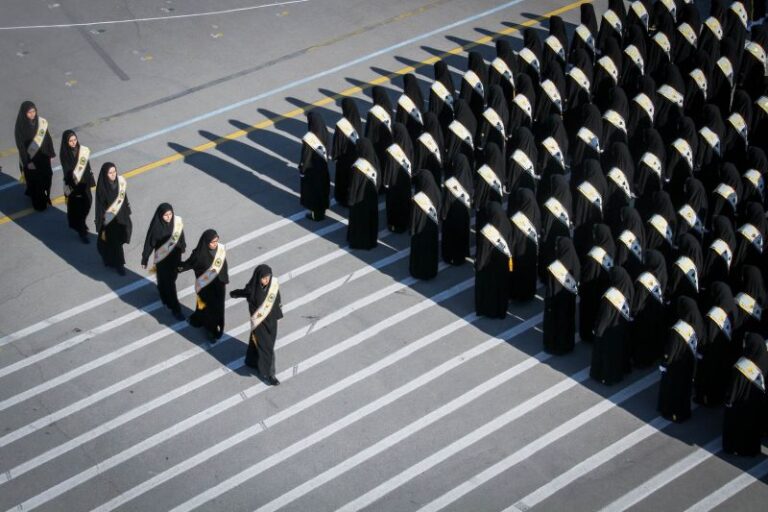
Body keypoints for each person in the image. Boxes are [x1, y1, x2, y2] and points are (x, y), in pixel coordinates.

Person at [230, 264, 283, 386]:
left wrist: (279, 316)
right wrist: (235, 293)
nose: (267, 280)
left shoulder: (273, 286)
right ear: (258, 277)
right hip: (259, 323)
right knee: (267, 348)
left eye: (268, 277)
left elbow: (277, 300)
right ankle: (270, 374)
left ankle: (251, 360)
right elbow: (245, 292)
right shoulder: (252, 289)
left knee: (257, 342)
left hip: (271, 322)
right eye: (264, 278)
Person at [657, 296, 705, 423]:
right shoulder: (698, 323)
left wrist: (665, 362)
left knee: (674, 389)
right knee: (685, 389)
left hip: (676, 366)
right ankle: (683, 412)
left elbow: (671, 349)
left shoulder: (679, 329)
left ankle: (672, 412)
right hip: (689, 364)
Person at [178, 229, 228, 341]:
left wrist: (224, 280)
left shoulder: (220, 250)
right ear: (206, 242)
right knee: (208, 309)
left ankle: (211, 325)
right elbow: (188, 264)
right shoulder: (198, 255)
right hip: (205, 287)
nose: (215, 244)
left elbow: (224, 266)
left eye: (216, 240)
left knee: (217, 309)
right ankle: (210, 330)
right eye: (212, 242)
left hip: (219, 286)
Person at [722, 332, 767, 456]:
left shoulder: (742, 366)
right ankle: (751, 449)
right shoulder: (763, 361)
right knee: (752, 427)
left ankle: (736, 448)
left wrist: (728, 401)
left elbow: (734, 388)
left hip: (741, 406)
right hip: (756, 404)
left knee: (739, 426)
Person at [591, 266, 635, 385]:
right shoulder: (628, 287)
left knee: (608, 356)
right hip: (621, 329)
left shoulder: (611, 296)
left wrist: (597, 331)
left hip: (609, 332)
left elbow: (604, 316)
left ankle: (606, 378)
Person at [141, 203, 186, 320]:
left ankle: (163, 292)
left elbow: (181, 235)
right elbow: (149, 243)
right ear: (160, 215)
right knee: (170, 284)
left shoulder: (176, 222)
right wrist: (145, 258)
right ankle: (176, 309)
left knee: (169, 279)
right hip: (162, 260)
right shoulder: (156, 227)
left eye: (170, 214)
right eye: (166, 215)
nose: (169, 217)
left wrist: (183, 246)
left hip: (175, 258)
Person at [475, 201, 513, 318]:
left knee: (490, 288)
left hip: (489, 267)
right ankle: (500, 310)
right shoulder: (507, 224)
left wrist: (478, 267)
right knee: (501, 289)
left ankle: (488, 310)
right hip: (503, 266)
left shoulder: (487, 231)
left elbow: (483, 252)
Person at [14, 101, 55, 211]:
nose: (32, 114)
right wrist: (27, 162)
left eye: (34, 111)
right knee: (36, 182)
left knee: (47, 178)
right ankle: (39, 203)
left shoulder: (41, 122)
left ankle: (46, 196)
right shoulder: (20, 127)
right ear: (24, 113)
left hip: (43, 156)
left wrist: (51, 153)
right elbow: (21, 147)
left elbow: (47, 138)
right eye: (29, 112)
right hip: (30, 159)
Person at [543, 237, 580, 355]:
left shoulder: (555, 267)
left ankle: (554, 345)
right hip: (568, 301)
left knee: (555, 322)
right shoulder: (575, 262)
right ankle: (567, 345)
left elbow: (550, 289)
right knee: (567, 322)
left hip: (555, 303)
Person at [94, 162, 132, 275]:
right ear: (105, 174)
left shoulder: (120, 182)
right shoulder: (102, 188)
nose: (113, 174)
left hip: (121, 217)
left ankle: (109, 259)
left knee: (115, 242)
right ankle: (120, 265)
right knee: (115, 244)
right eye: (110, 173)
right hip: (110, 221)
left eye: (114, 171)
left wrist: (127, 211)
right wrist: (101, 222)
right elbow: (100, 207)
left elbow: (124, 198)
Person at [59, 129, 95, 243]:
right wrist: (73, 183)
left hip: (85, 183)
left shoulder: (82, 150)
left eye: (75, 140)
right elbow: (67, 171)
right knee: (79, 210)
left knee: (88, 203)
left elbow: (87, 166)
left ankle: (81, 224)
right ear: (66, 142)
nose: (74, 142)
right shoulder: (64, 154)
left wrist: (91, 180)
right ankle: (82, 231)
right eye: (70, 141)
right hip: (74, 186)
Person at [347, 138, 380, 250]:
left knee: (360, 222)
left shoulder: (358, 167)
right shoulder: (374, 159)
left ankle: (359, 243)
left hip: (359, 200)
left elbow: (354, 185)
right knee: (370, 220)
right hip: (372, 198)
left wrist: (350, 200)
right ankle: (371, 241)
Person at [440, 154, 473, 266]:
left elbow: (446, 201)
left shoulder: (451, 183)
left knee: (451, 237)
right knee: (461, 235)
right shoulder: (468, 182)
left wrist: (443, 215)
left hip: (452, 217)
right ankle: (460, 256)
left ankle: (450, 257)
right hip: (463, 216)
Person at [298, 112, 330, 221]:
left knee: (314, 192)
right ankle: (322, 210)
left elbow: (306, 157)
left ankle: (316, 215)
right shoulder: (324, 132)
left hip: (312, 170)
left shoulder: (309, 138)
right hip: (323, 167)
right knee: (322, 189)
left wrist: (302, 170)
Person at [409, 170, 440, 280]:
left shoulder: (418, 199)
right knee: (430, 251)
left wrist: (412, 231)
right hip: (432, 229)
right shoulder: (436, 192)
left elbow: (414, 218)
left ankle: (419, 271)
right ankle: (430, 271)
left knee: (420, 252)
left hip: (419, 231)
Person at [331, 98, 362, 207]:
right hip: (356, 155)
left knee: (343, 178)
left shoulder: (341, 125)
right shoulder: (357, 120)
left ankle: (343, 198)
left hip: (344, 158)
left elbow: (337, 143)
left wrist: (334, 156)